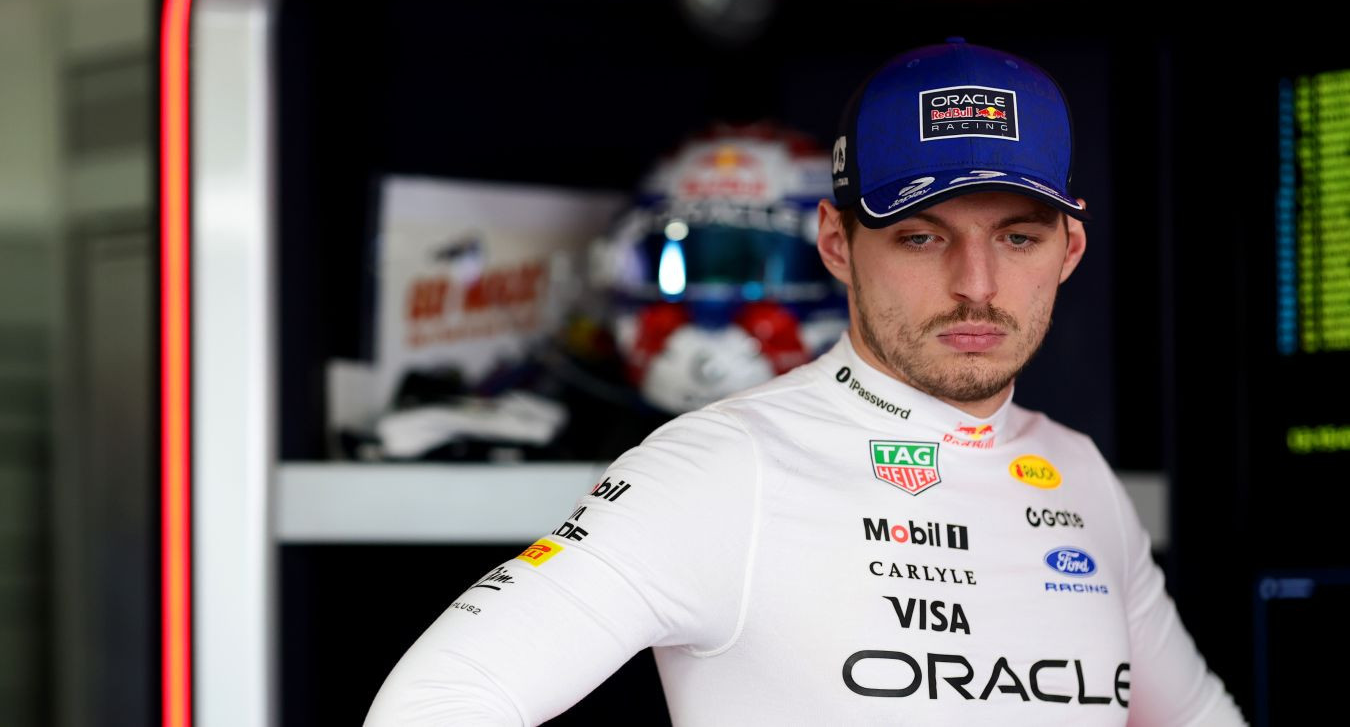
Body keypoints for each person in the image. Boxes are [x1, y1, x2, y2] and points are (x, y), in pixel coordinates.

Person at [365, 39, 1246, 725]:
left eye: (1017, 238)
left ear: (1070, 249)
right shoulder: (724, 464)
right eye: (922, 236)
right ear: (836, 243)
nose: (977, 285)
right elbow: (436, 704)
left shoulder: (1079, 474)